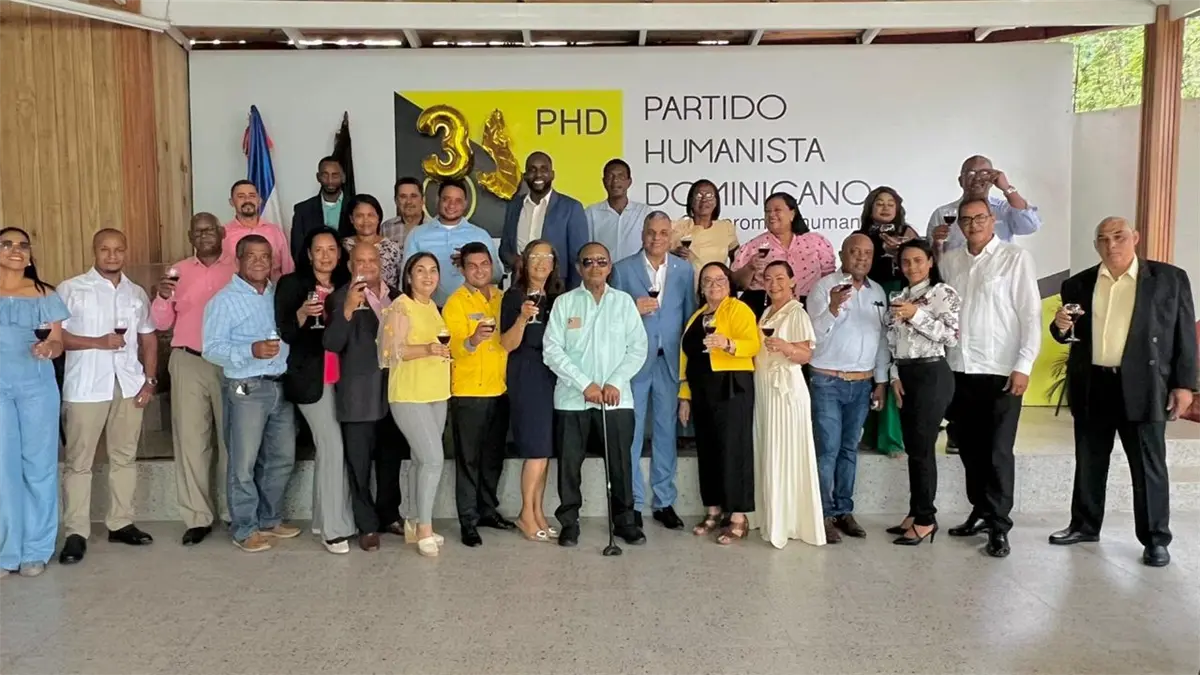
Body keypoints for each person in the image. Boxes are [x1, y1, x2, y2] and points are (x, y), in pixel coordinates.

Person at [1047, 216, 1196, 568]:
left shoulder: (1168, 279)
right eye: (1103, 238)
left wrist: (1185, 384)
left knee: (1149, 466)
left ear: (1136, 238)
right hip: (1093, 382)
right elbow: (1068, 336)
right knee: (1089, 460)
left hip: (1144, 384)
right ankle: (1084, 524)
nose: (1111, 244)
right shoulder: (1078, 284)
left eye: (1119, 237)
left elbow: (1184, 335)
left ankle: (1156, 539)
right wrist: (1058, 327)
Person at [940, 198, 1041, 559]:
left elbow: (1030, 314)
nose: (972, 225)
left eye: (979, 218)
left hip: (1001, 370)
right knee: (968, 448)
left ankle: (999, 525)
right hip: (959, 368)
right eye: (965, 220)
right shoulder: (950, 261)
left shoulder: (1015, 258)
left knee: (998, 450)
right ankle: (980, 511)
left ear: (992, 219)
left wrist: (1024, 364)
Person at [57, 229, 159, 565]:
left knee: (124, 457)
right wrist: (98, 342)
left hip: (127, 385)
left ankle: (121, 522)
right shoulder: (71, 289)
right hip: (86, 386)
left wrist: (149, 381)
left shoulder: (136, 293)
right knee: (79, 462)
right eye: (105, 249)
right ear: (94, 251)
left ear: (125, 252)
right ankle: (75, 532)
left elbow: (148, 339)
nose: (112, 256)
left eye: (118, 250)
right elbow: (57, 338)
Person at [543, 242, 648, 548]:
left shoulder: (624, 303)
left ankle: (625, 521)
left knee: (620, 463)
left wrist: (614, 382)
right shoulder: (564, 303)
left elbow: (637, 348)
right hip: (572, 400)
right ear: (578, 268)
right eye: (588, 262)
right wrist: (584, 384)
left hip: (616, 400)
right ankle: (569, 522)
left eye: (601, 261)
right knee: (569, 465)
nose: (595, 267)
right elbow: (552, 350)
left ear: (610, 266)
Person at [203, 235, 301, 553]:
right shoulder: (224, 300)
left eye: (265, 256)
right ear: (239, 260)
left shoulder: (278, 295)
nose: (259, 262)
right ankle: (244, 527)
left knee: (282, 457)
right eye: (252, 256)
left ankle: (269, 519)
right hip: (245, 387)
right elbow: (212, 349)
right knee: (243, 462)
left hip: (280, 385)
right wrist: (250, 349)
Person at [150, 213, 236, 546]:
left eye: (210, 230)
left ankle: (233, 512)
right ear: (190, 236)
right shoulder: (177, 271)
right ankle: (198, 517)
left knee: (233, 440)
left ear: (222, 232)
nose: (204, 235)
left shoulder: (239, 267)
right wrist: (161, 296)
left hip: (230, 362)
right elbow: (160, 322)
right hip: (188, 360)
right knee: (191, 440)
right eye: (198, 231)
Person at [609, 211, 694, 530]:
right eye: (650, 232)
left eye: (662, 232)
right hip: (633, 363)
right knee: (630, 435)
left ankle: (664, 501)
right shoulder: (622, 269)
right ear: (642, 234)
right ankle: (632, 502)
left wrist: (685, 373)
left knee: (665, 433)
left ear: (671, 235)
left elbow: (688, 319)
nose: (656, 238)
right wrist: (632, 308)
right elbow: (611, 318)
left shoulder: (685, 270)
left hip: (669, 362)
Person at [275, 228, 355, 554]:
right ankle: (334, 530)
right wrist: (302, 314)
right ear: (308, 254)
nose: (325, 256)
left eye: (331, 249)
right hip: (312, 377)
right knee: (332, 446)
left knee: (333, 449)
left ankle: (326, 519)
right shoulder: (292, 284)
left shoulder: (346, 287)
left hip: (345, 378)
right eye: (318, 250)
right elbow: (286, 332)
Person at [805, 233, 889, 544]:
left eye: (867, 253)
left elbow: (881, 341)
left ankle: (844, 510)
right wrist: (833, 309)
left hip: (862, 383)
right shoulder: (823, 287)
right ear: (843, 254)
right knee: (827, 450)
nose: (862, 258)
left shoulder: (878, 292)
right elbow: (813, 336)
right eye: (855, 252)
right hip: (827, 381)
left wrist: (880, 381)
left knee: (849, 450)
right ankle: (824, 514)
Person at [323, 244, 406, 548]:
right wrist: (346, 310)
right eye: (361, 260)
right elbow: (331, 343)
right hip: (357, 395)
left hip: (394, 392)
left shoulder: (397, 297)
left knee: (390, 459)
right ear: (349, 263)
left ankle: (389, 514)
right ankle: (366, 524)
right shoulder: (339, 297)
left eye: (373, 260)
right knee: (359, 465)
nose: (368, 265)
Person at [881, 240, 960, 546]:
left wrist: (916, 314)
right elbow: (891, 340)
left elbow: (951, 337)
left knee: (924, 450)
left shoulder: (943, 293)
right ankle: (915, 512)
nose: (911, 267)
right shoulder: (898, 296)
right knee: (914, 448)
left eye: (917, 260)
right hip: (906, 374)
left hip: (932, 373)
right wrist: (894, 374)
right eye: (905, 262)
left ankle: (926, 520)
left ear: (929, 261)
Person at [0, 227, 69, 578]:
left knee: (39, 467)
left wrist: (49, 348)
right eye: (7, 244)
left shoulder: (46, 293)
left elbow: (58, 342)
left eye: (23, 245)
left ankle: (36, 549)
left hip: (37, 387)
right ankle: (5, 551)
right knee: (3, 468)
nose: (16, 250)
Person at [678, 262, 761, 545]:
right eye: (707, 281)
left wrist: (729, 344)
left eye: (719, 280)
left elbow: (754, 344)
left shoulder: (738, 309)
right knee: (709, 449)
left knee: (734, 450)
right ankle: (713, 510)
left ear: (729, 283)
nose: (713, 286)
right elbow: (686, 359)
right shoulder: (697, 316)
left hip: (731, 387)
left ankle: (738, 516)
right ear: (700, 288)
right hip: (702, 390)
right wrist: (685, 396)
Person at [443, 242, 515, 546]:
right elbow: (452, 349)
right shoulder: (455, 303)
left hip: (500, 389)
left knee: (493, 458)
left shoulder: (503, 298)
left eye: (484, 264)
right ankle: (468, 520)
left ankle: (488, 510)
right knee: (468, 460)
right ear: (462, 269)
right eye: (472, 265)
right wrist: (472, 340)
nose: (479, 270)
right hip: (468, 393)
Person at [379, 252, 451, 557]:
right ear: (408, 276)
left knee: (422, 460)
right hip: (410, 394)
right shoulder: (400, 306)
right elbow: (389, 353)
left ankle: (412, 520)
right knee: (434, 459)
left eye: (433, 270)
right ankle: (424, 527)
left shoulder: (433, 308)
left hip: (436, 392)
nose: (427, 276)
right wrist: (429, 348)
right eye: (420, 270)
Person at [748, 260, 824, 549]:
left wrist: (786, 347)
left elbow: (806, 355)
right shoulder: (767, 311)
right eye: (768, 278)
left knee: (787, 451)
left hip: (787, 392)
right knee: (769, 450)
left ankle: (789, 521)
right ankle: (771, 515)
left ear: (793, 282)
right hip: (765, 388)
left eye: (780, 278)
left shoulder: (796, 312)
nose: (774, 283)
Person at [500, 239, 563, 542]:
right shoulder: (513, 297)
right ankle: (525, 513)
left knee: (547, 450)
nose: (540, 263)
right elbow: (507, 344)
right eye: (534, 256)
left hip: (556, 376)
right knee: (536, 448)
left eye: (546, 257)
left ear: (553, 264)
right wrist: (523, 318)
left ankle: (538, 511)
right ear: (524, 262)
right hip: (527, 375)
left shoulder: (559, 297)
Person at [857, 186, 921, 458]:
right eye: (879, 203)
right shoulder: (860, 236)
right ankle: (869, 433)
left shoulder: (908, 233)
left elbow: (921, 269)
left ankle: (892, 439)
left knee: (893, 364)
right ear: (870, 208)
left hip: (898, 296)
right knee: (870, 362)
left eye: (890, 203)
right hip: (868, 297)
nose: (884, 208)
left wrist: (902, 251)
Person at [731, 191, 835, 318]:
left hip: (808, 307)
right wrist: (750, 267)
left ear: (792, 214)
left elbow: (829, 279)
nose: (771, 215)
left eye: (777, 210)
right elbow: (736, 284)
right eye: (767, 211)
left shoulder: (816, 242)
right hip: (763, 307)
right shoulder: (753, 246)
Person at [402, 179, 502, 306]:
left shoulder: (480, 235)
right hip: (430, 309)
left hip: (471, 310)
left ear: (465, 204)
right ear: (437, 200)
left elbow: (497, 276)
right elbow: (406, 278)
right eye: (446, 199)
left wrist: (470, 263)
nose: (451, 205)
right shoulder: (417, 235)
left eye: (458, 201)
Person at [501, 151, 589, 288]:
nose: (538, 175)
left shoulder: (571, 207)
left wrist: (574, 296)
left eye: (544, 169)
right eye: (532, 170)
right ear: (525, 176)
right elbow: (504, 249)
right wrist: (515, 261)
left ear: (552, 174)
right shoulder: (514, 206)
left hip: (557, 289)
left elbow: (577, 258)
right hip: (520, 286)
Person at [926, 155, 1041, 254]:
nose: (977, 178)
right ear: (961, 181)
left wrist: (1007, 188)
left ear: (993, 181)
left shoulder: (1004, 209)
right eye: (971, 174)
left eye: (985, 174)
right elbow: (930, 258)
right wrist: (937, 244)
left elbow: (1030, 226)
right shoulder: (942, 214)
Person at [224, 179, 294, 280]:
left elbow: (287, 267)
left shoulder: (274, 231)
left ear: (259, 200)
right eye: (241, 196)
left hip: (273, 292)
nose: (247, 200)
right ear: (231, 202)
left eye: (252, 196)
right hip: (237, 293)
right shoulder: (223, 234)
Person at [671, 179, 739, 282]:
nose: (704, 200)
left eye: (709, 196)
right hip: (685, 287)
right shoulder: (678, 226)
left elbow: (738, 261)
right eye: (698, 196)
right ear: (691, 201)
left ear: (716, 201)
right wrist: (674, 253)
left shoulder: (726, 228)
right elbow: (657, 255)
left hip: (716, 289)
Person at [586, 158, 651, 263]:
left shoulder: (643, 211)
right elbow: (587, 248)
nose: (615, 181)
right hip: (603, 274)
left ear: (629, 182)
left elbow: (650, 245)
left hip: (635, 273)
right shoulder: (591, 213)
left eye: (621, 176)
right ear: (603, 181)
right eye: (610, 176)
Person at [290, 156, 352, 261]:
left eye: (335, 175)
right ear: (318, 177)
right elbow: (298, 249)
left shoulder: (355, 207)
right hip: (313, 273)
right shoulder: (303, 210)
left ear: (343, 177)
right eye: (325, 175)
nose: (330, 181)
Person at [340, 193, 403, 290]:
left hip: (386, 302)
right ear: (351, 219)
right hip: (349, 301)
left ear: (378, 218)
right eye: (359, 216)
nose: (366, 220)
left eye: (370, 215)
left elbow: (401, 281)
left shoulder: (392, 248)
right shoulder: (342, 246)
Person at [380, 176, 428, 249]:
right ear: (396, 201)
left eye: (413, 196)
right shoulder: (386, 228)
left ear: (423, 200)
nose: (408, 201)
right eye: (403, 196)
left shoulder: (435, 227)